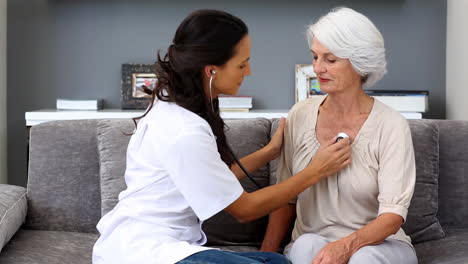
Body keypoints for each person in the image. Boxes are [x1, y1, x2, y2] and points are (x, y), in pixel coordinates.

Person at [92, 9, 352, 264]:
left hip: (162, 246)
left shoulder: (176, 107)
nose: (248, 71)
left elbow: (213, 178)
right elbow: (244, 209)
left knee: (275, 261)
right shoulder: (183, 130)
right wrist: (316, 170)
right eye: (242, 63)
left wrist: (269, 152)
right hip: (144, 252)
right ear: (211, 70)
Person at [260, 7, 418, 264]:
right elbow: (285, 198)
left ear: (359, 63)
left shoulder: (391, 125)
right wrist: (264, 257)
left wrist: (345, 247)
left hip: (381, 245)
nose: (318, 68)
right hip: (313, 242)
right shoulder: (300, 115)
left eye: (330, 60)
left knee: (363, 258)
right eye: (315, 57)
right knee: (305, 245)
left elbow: (393, 216)